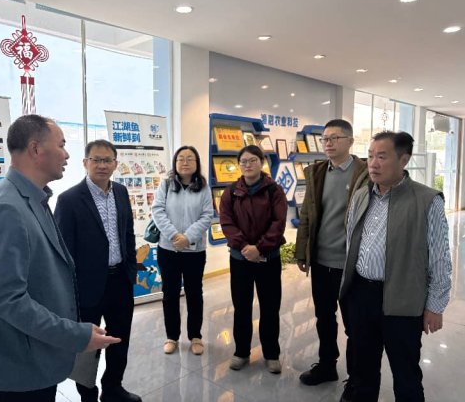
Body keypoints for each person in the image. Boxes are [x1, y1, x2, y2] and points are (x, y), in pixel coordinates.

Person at [0, 115, 120, 402]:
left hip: (35, 356)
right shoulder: (6, 208)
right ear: (36, 149)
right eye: (61, 145)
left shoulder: (32, 199)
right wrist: (75, 334)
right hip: (17, 367)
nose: (67, 155)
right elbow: (9, 300)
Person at [340, 131, 452, 402]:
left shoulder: (427, 200)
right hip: (362, 295)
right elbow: (351, 242)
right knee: (362, 370)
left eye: (382, 156)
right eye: (370, 156)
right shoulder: (361, 196)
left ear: (404, 159)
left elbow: (440, 258)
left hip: (403, 299)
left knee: (406, 375)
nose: (373, 163)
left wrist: (435, 305)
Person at [55, 140, 141, 402]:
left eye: (107, 160)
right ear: (85, 163)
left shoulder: (121, 192)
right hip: (86, 287)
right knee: (86, 345)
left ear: (115, 164)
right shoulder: (69, 199)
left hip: (120, 281)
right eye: (96, 160)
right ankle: (87, 394)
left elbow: (127, 234)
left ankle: (113, 387)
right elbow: (63, 251)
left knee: (119, 339)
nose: (102, 165)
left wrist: (130, 270)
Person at [295, 119, 368, 399]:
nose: (328, 143)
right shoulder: (317, 172)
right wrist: (302, 251)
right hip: (321, 261)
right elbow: (307, 214)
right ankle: (327, 365)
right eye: (325, 138)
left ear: (350, 141)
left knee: (354, 325)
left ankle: (356, 379)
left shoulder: (364, 173)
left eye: (334, 138)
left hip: (352, 265)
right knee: (323, 318)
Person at [219, 145, 288, 374]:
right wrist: (244, 247)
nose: (247, 165)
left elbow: (278, 223)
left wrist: (259, 248)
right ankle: (241, 352)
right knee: (241, 307)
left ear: (261, 162)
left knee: (270, 307)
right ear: (239, 165)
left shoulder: (274, 190)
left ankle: (271, 354)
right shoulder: (231, 192)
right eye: (243, 161)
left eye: (252, 160)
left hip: (268, 258)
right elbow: (226, 222)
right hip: (240, 259)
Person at [151, 146, 213, 355]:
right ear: (175, 163)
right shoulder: (166, 184)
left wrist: (187, 237)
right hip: (168, 250)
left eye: (190, 159)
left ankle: (195, 336)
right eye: (181, 159)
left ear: (197, 163)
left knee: (194, 293)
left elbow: (207, 215)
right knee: (170, 293)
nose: (185, 162)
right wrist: (174, 236)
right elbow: (157, 211)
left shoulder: (203, 187)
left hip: (195, 251)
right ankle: (172, 336)